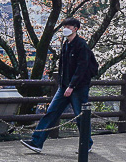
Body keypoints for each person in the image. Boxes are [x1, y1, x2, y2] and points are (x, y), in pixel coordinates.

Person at [22, 18, 96, 154]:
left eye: (68, 26)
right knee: (51, 112)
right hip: (64, 86)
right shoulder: (66, 44)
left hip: (78, 88)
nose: (65, 28)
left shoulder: (81, 45)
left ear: (75, 28)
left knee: (81, 116)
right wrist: (63, 84)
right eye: (64, 26)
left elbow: (82, 68)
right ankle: (36, 142)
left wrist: (72, 86)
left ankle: (86, 144)